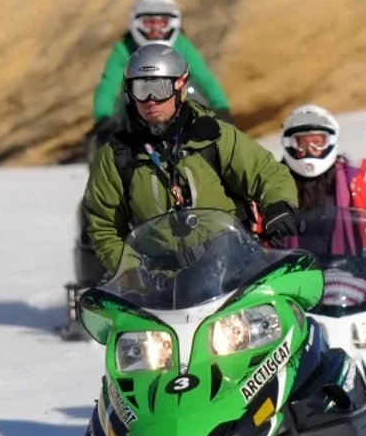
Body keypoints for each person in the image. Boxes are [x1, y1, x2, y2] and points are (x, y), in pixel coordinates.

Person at [82, 43, 299, 273]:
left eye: (160, 88)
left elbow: (266, 172)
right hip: (162, 281)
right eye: (141, 89)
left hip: (231, 267)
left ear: (181, 87)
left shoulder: (214, 136)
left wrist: (279, 205)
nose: (150, 100)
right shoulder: (116, 156)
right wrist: (134, 272)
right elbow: (104, 227)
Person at [90, 0, 231, 144]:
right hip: (137, 113)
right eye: (149, 23)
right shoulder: (124, 48)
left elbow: (205, 79)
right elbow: (108, 87)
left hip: (176, 107)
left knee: (191, 91)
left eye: (162, 23)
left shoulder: (181, 44)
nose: (156, 29)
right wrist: (104, 119)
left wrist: (221, 109)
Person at [279, 104, 366, 255]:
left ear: (330, 142)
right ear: (290, 144)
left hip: (346, 265)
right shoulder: (273, 182)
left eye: (318, 142)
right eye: (301, 143)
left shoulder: (350, 181)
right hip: (288, 267)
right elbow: (259, 224)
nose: (310, 149)